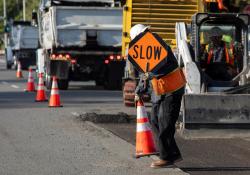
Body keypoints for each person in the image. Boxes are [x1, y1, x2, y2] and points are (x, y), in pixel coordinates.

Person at [130, 24, 186, 168]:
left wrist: (152, 74)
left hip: (172, 88)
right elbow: (145, 74)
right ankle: (171, 153)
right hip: (160, 90)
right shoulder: (144, 51)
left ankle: (166, 157)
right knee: (155, 120)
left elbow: (164, 66)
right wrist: (139, 91)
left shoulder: (159, 46)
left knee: (165, 122)